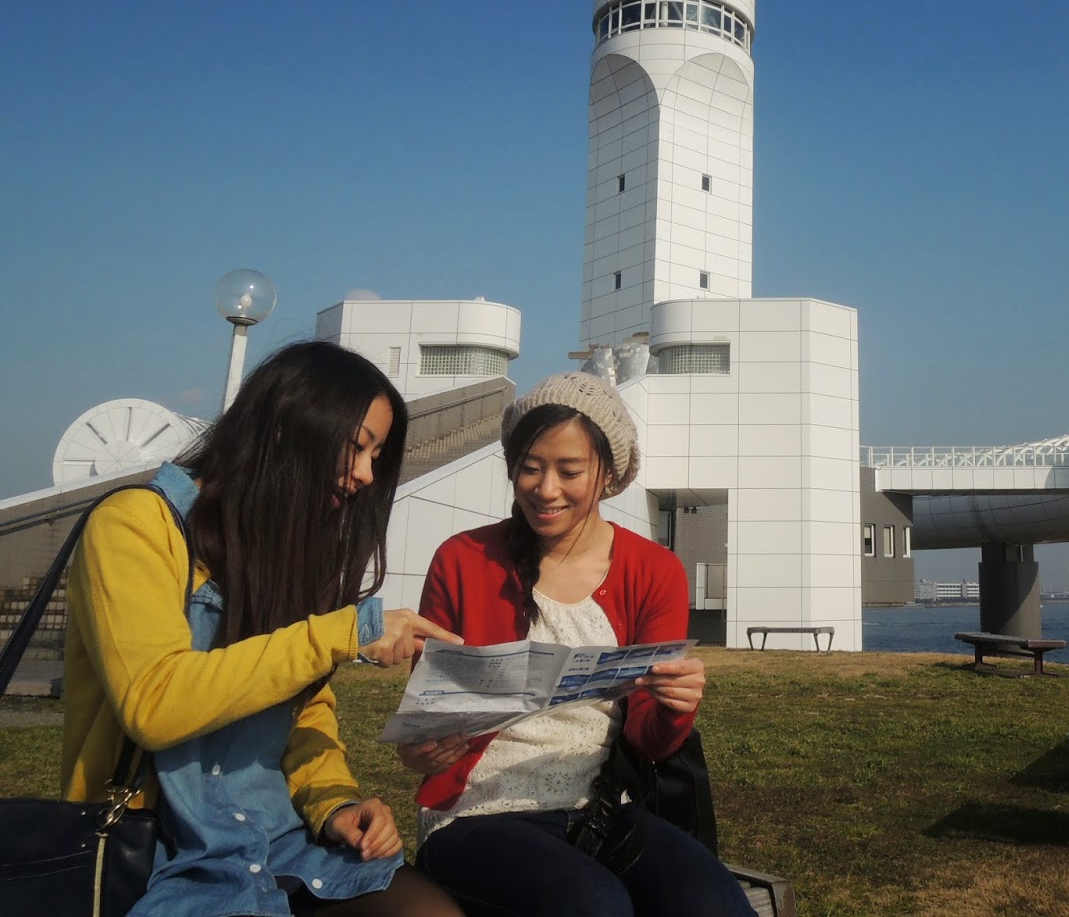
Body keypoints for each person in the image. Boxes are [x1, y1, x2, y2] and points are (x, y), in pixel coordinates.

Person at [61, 340, 465, 917]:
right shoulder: (133, 525)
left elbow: (302, 712)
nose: (365, 475)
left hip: (282, 843)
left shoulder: (291, 555)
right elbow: (154, 703)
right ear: (285, 426)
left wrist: (336, 804)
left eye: (375, 455)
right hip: (157, 854)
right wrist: (341, 632)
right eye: (356, 448)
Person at [400, 372, 749, 917]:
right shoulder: (462, 558)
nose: (546, 489)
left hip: (606, 805)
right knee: (595, 906)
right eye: (530, 467)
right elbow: (427, 720)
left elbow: (650, 741)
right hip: (478, 812)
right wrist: (424, 747)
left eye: (570, 471)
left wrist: (675, 709)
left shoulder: (654, 570)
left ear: (608, 475)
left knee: (715, 905)